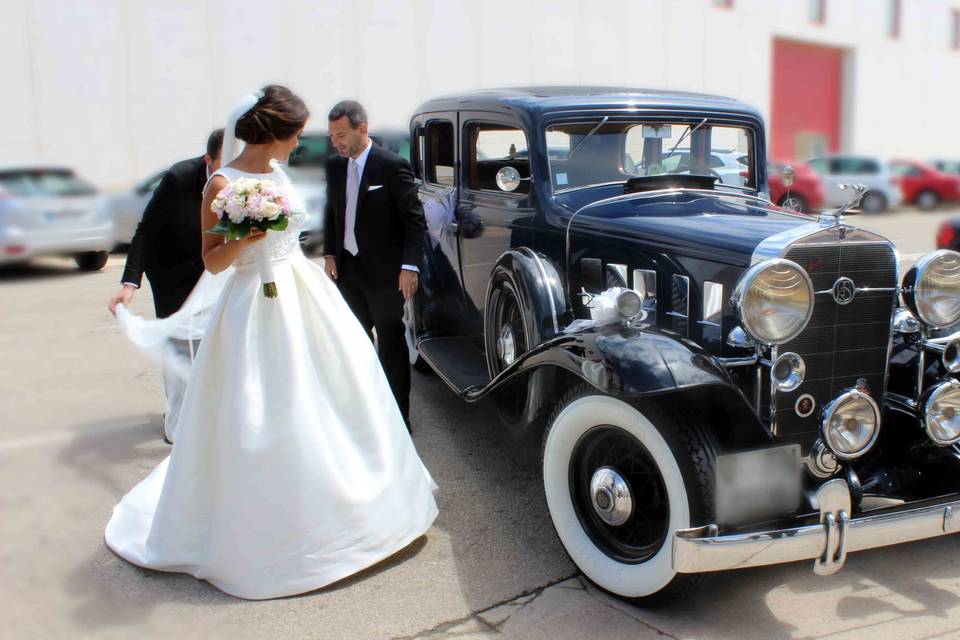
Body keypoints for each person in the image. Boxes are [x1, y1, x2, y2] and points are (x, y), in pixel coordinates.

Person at [104, 85, 438, 600]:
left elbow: (297, 229)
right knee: (263, 407)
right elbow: (212, 259)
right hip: (252, 303)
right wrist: (250, 235)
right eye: (294, 136)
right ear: (273, 133)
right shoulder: (220, 182)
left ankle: (356, 502)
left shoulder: (276, 174)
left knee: (340, 387)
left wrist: (279, 232)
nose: (298, 145)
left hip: (302, 291)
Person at [108, 128, 224, 443]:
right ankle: (178, 421)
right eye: (220, 165)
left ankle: (209, 413)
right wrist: (131, 283)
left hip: (213, 271)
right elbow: (145, 230)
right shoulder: (178, 179)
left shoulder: (240, 181)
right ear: (207, 160)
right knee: (177, 344)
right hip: (173, 270)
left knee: (214, 342)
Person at [323, 100, 426, 430]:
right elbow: (332, 211)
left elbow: (415, 222)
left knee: (391, 346)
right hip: (348, 270)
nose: (335, 142)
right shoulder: (334, 167)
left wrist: (410, 267)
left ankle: (398, 421)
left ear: (361, 128)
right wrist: (329, 253)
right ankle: (364, 413)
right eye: (332, 136)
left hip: (386, 275)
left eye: (341, 135)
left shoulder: (392, 166)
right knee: (353, 343)